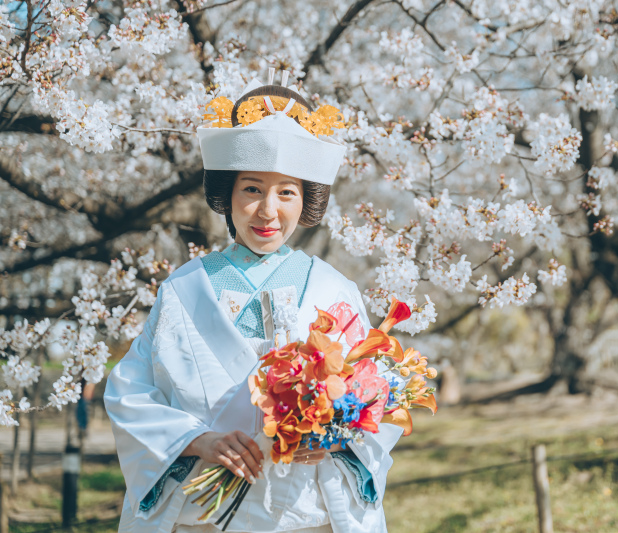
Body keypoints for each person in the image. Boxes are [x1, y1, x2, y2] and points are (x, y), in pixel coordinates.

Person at [104, 69, 403, 533]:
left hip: (307, 510)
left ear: (305, 200)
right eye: (252, 189)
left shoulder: (333, 289)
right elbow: (130, 394)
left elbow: (375, 395)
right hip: (201, 513)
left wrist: (336, 437)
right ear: (227, 195)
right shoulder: (184, 290)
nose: (268, 210)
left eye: (286, 191)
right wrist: (198, 439)